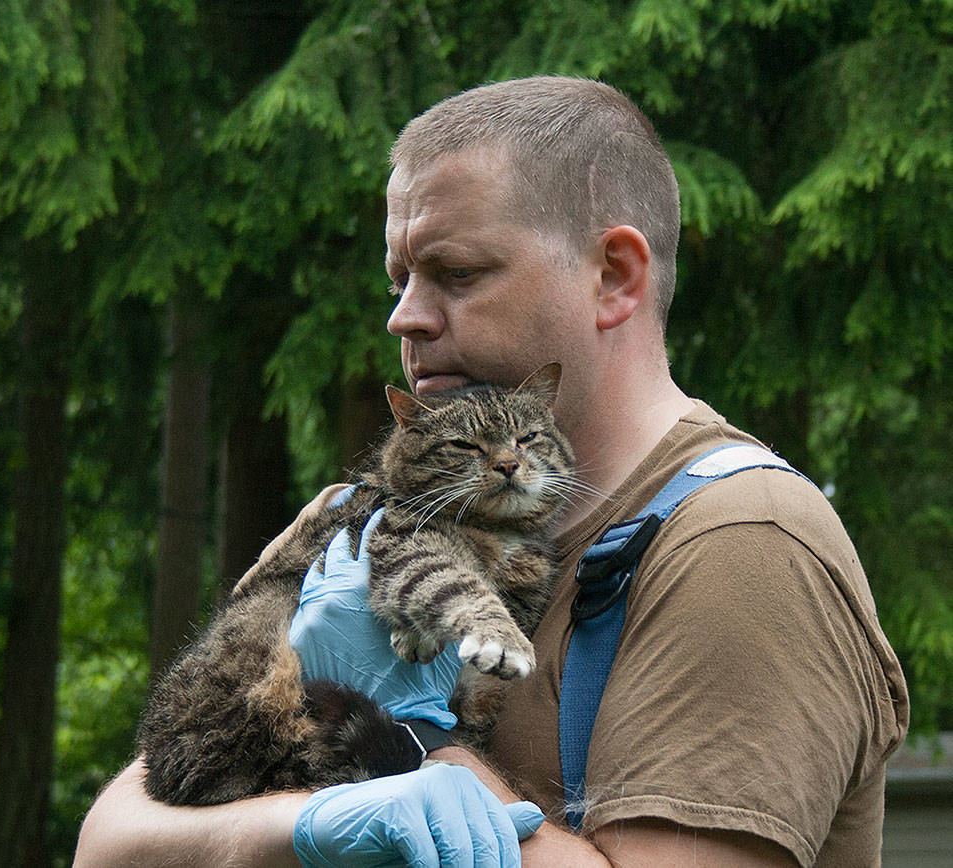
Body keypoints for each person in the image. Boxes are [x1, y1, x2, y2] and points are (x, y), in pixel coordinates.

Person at [74, 76, 909, 867]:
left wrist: (401, 743)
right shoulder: (357, 515)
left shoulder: (738, 543)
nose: (404, 314)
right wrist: (307, 823)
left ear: (613, 276)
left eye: (457, 273)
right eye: (400, 279)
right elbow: (109, 842)